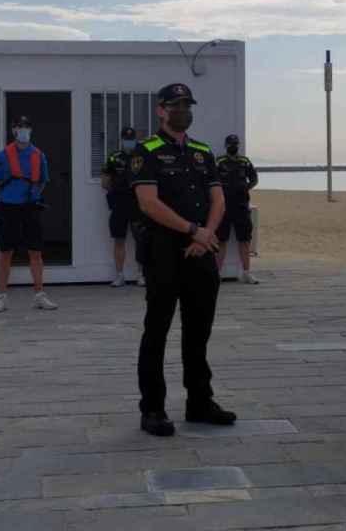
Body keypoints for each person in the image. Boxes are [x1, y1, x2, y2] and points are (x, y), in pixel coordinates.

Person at [131, 83, 237, 437]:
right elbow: (148, 202)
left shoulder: (202, 151)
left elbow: (218, 199)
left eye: (187, 105)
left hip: (200, 253)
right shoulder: (146, 151)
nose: (183, 110)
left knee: (198, 333)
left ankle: (199, 402)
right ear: (161, 110)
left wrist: (205, 234)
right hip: (164, 253)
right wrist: (193, 230)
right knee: (157, 331)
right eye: (176, 105)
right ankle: (153, 409)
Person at [0, 116, 57, 313]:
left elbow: (43, 180)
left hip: (31, 207)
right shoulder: (3, 155)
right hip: (8, 208)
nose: (23, 130)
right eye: (19, 127)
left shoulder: (38, 155)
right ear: (13, 130)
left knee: (35, 252)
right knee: (5, 253)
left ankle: (39, 295)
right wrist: (8, 195)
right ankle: (2, 296)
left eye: (27, 127)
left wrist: (33, 194)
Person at [102, 126, 145, 287]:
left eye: (131, 139)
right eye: (126, 139)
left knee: (140, 240)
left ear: (135, 139)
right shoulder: (114, 157)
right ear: (122, 140)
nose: (129, 142)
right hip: (119, 205)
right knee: (119, 240)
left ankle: (141, 274)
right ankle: (120, 275)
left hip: (137, 205)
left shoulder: (141, 157)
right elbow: (105, 181)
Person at [215, 134, 259, 284]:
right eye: (230, 144)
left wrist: (246, 188)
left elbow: (254, 178)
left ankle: (246, 273)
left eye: (235, 144)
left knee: (244, 240)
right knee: (221, 240)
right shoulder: (219, 161)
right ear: (226, 146)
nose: (233, 147)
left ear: (238, 145)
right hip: (224, 206)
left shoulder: (244, 161)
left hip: (241, 206)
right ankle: (217, 274)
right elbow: (212, 180)